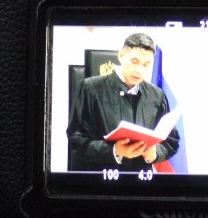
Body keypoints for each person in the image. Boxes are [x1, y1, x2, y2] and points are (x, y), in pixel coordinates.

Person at [67, 32, 179, 172]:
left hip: (142, 179)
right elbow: (76, 139)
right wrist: (114, 150)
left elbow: (171, 142)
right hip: (101, 179)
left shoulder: (157, 96)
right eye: (134, 62)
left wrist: (155, 153)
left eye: (146, 65)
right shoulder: (90, 89)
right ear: (121, 56)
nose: (139, 70)